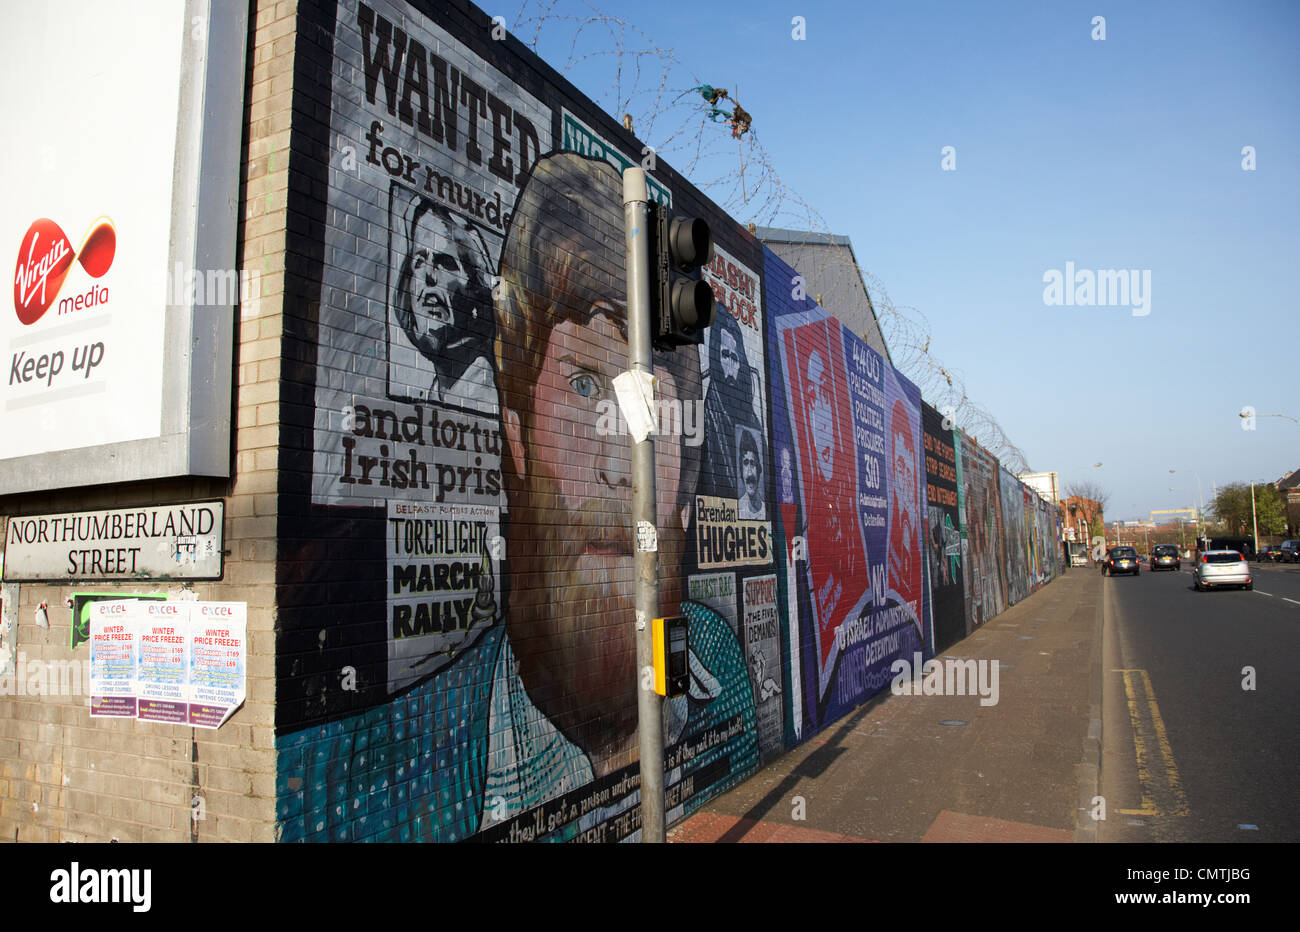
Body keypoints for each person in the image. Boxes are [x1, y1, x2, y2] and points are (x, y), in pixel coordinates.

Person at [278, 152, 757, 843]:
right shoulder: (353, 787)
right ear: (517, 431)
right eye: (586, 385)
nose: (626, 468)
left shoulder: (721, 666)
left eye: (655, 402)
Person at [390, 197, 497, 411]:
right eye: (419, 263)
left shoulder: (489, 395)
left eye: (445, 263)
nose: (429, 277)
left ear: (476, 286)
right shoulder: (438, 394)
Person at [699, 307, 759, 499]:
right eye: (725, 355)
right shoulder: (707, 416)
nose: (731, 366)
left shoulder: (751, 419)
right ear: (716, 357)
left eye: (735, 358)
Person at [737, 428, 764, 520]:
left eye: (752, 463)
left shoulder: (765, 510)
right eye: (745, 463)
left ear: (759, 469)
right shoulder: (738, 508)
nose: (749, 472)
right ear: (741, 471)